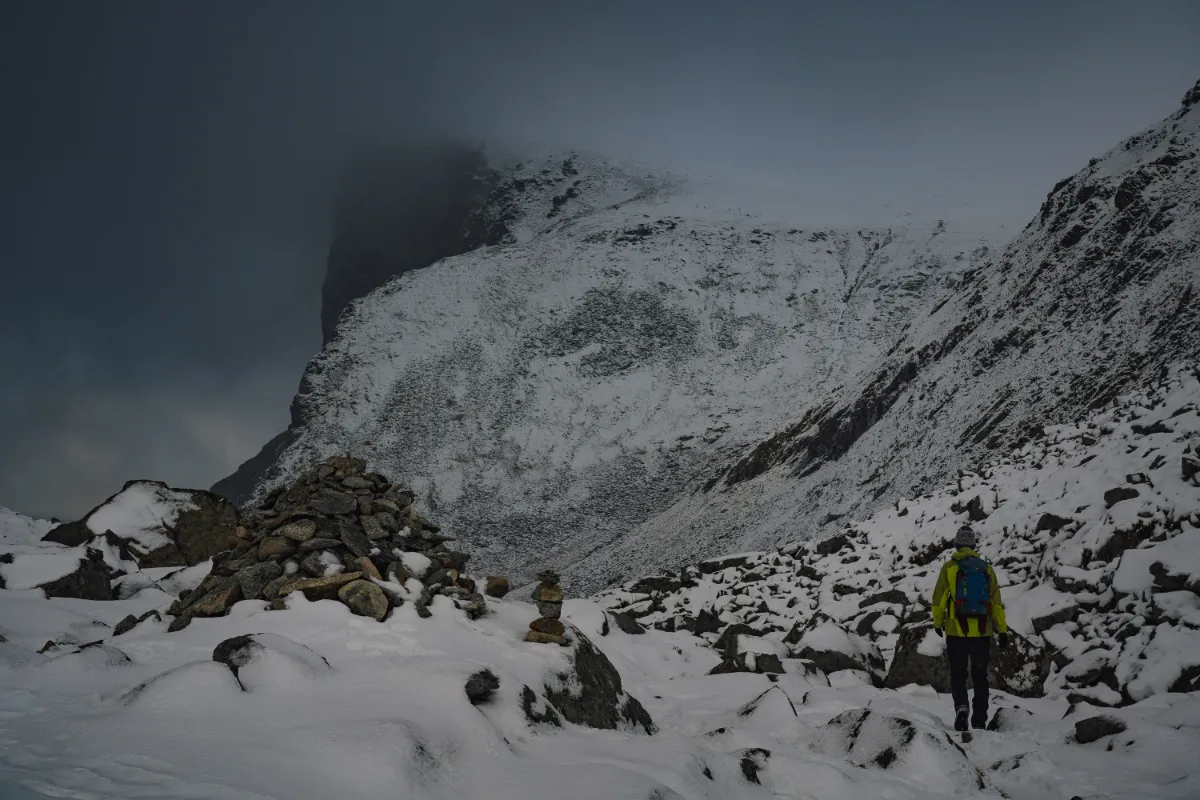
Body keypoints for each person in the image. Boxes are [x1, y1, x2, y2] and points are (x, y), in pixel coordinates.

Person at [931, 525, 1009, 731]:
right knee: (980, 676)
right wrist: (1002, 630)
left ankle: (962, 709)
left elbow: (938, 600)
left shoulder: (949, 568)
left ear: (957, 545)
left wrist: (938, 622)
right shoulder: (986, 568)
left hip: (956, 631)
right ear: (974, 545)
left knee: (958, 675)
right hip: (982, 632)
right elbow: (996, 603)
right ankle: (980, 718)